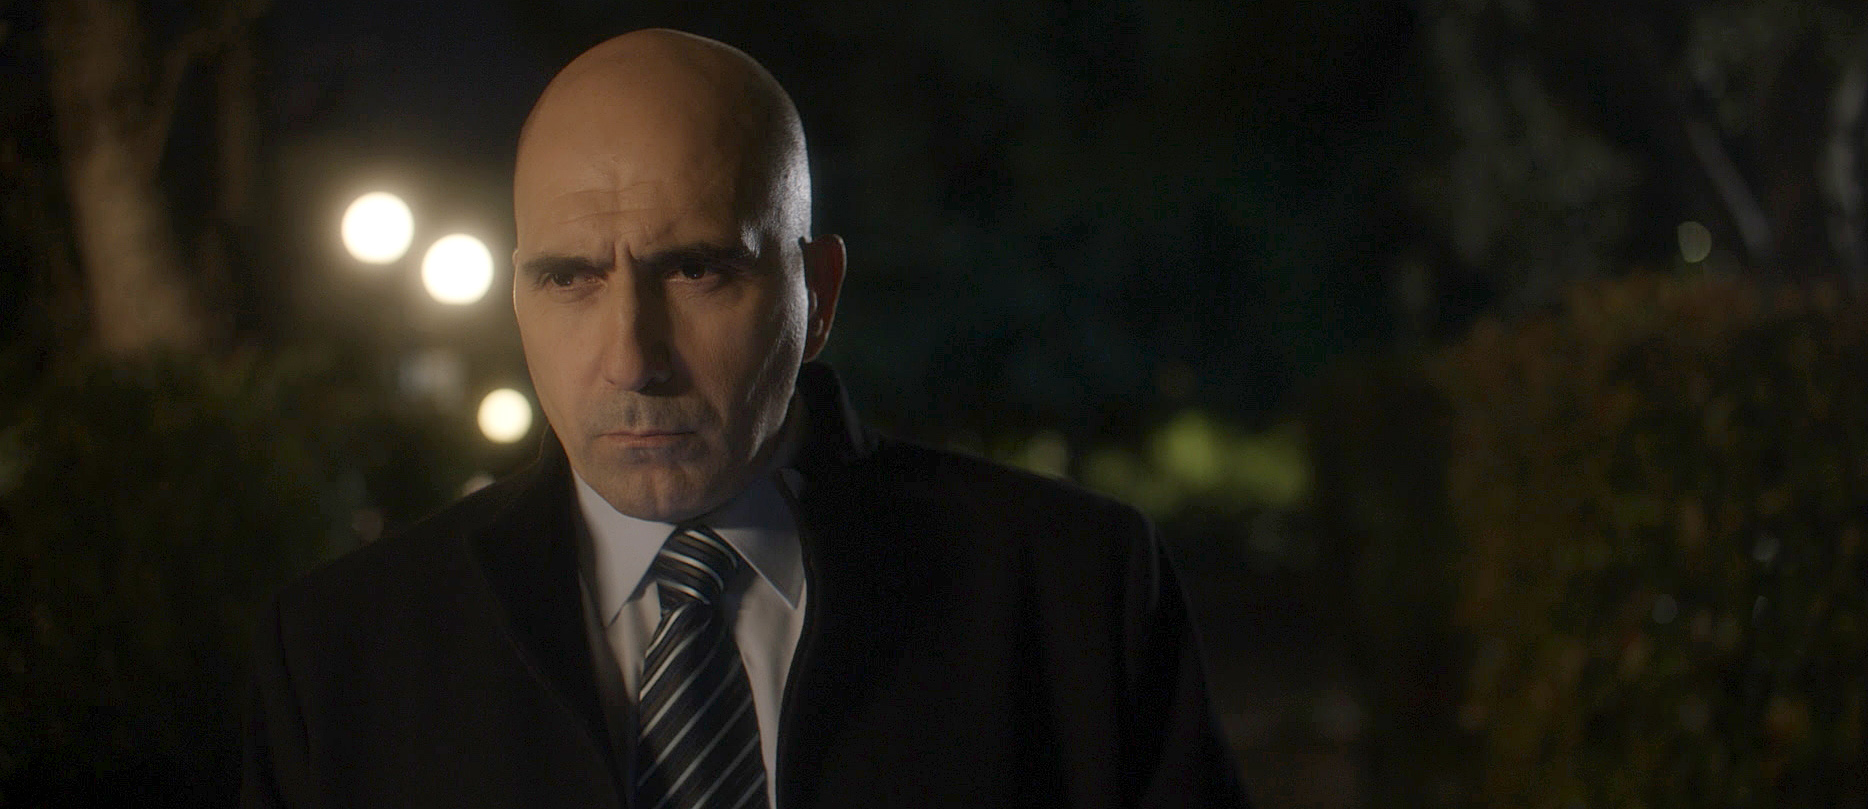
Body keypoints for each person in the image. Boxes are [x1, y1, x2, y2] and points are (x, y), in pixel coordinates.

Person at [241, 29, 1249, 809]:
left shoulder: (1073, 592)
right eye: (570, 278)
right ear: (517, 298)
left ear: (819, 295)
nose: (633, 358)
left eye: (697, 269)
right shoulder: (341, 654)